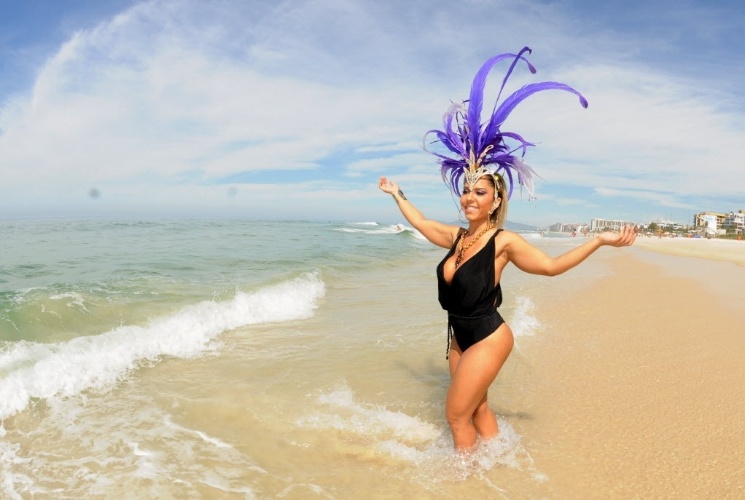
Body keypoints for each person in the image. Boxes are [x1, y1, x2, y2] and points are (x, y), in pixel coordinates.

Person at [378, 48, 637, 452]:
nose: (469, 197)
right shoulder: (457, 237)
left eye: (479, 192)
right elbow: (422, 223)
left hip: (488, 336)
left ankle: (463, 483)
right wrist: (397, 194)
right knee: (477, 409)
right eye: (465, 190)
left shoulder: (504, 242)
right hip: (458, 336)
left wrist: (599, 240)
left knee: (455, 415)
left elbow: (550, 268)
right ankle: (501, 462)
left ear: (495, 200)